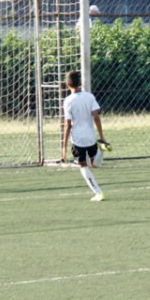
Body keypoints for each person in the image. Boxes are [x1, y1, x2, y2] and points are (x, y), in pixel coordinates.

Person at [61, 70, 107, 202]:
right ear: (79, 83)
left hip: (78, 140)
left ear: (67, 85)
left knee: (83, 166)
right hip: (91, 137)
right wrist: (102, 136)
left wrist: (64, 147)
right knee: (94, 164)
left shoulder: (68, 101)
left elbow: (68, 125)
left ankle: (98, 193)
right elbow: (96, 117)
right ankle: (100, 151)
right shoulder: (89, 96)